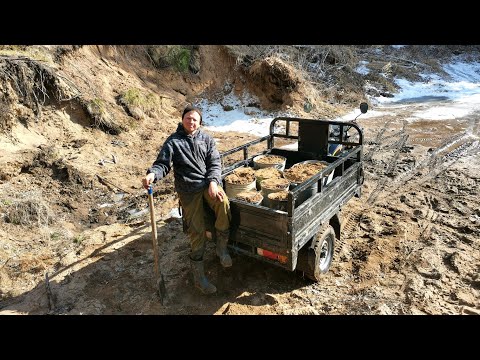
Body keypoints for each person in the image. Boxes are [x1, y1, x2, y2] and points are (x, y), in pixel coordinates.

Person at [142, 105, 231, 295]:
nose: (191, 122)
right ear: (183, 119)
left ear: (200, 123)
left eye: (195, 119)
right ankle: (199, 278)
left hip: (207, 184)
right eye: (188, 118)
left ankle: (221, 248)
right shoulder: (173, 142)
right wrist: (152, 175)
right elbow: (162, 164)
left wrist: (214, 182)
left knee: (223, 203)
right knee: (196, 230)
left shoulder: (206, 138)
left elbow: (215, 162)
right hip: (188, 191)